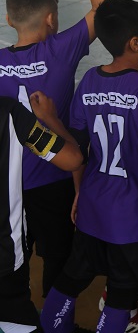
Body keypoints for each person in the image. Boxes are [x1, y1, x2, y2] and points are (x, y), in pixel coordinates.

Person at [0, 0, 109, 300]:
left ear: (10, 18)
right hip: (54, 179)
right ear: (51, 19)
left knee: (11, 257)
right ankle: (53, 322)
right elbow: (104, 9)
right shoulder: (60, 50)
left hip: (7, 183)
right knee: (59, 258)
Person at [40, 0, 138, 333]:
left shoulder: (91, 80)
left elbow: (77, 147)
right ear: (135, 43)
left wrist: (80, 192)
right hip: (133, 212)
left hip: (95, 202)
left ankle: (51, 329)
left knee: (71, 278)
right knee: (122, 291)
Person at [0, 92, 83, 330]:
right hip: (6, 258)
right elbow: (73, 159)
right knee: (17, 321)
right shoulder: (10, 113)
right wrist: (50, 117)